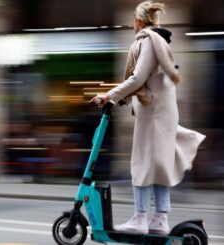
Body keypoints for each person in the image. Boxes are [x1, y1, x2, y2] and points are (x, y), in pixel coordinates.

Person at [90, 0, 206, 235]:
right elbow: (146, 80)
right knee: (158, 165)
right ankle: (159, 220)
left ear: (138, 20)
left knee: (142, 164)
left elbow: (138, 78)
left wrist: (109, 95)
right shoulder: (159, 40)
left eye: (133, 19)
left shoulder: (148, 41)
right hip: (160, 112)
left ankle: (141, 218)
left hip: (153, 113)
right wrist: (119, 100)